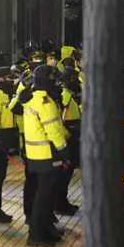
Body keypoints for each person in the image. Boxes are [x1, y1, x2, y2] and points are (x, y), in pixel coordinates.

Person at [21, 65, 70, 247]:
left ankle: (44, 230)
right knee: (45, 195)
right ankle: (36, 234)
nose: (56, 83)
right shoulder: (45, 102)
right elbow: (53, 130)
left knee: (44, 194)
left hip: (36, 154)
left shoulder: (33, 98)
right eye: (54, 79)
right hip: (47, 154)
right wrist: (64, 149)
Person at [0, 67, 20, 224]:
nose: (11, 81)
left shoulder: (8, 94)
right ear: (1, 79)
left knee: (0, 176)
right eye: (9, 78)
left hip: (6, 138)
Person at [54, 67, 81, 216]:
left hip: (73, 132)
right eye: (74, 78)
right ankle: (59, 204)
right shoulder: (65, 94)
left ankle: (63, 202)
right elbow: (60, 115)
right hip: (67, 134)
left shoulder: (71, 94)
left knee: (68, 172)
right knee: (64, 172)